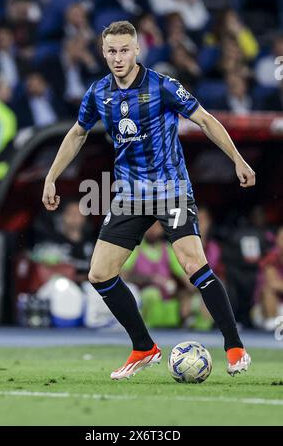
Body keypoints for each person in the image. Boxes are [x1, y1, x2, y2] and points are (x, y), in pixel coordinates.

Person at [42, 20, 255, 380]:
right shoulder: (98, 93)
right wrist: (50, 175)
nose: (118, 57)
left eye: (125, 50)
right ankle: (144, 347)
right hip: (129, 193)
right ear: (103, 52)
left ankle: (235, 347)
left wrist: (238, 158)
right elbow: (77, 133)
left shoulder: (163, 86)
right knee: (100, 273)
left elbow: (204, 119)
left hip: (171, 188)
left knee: (192, 265)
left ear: (137, 50)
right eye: (111, 51)